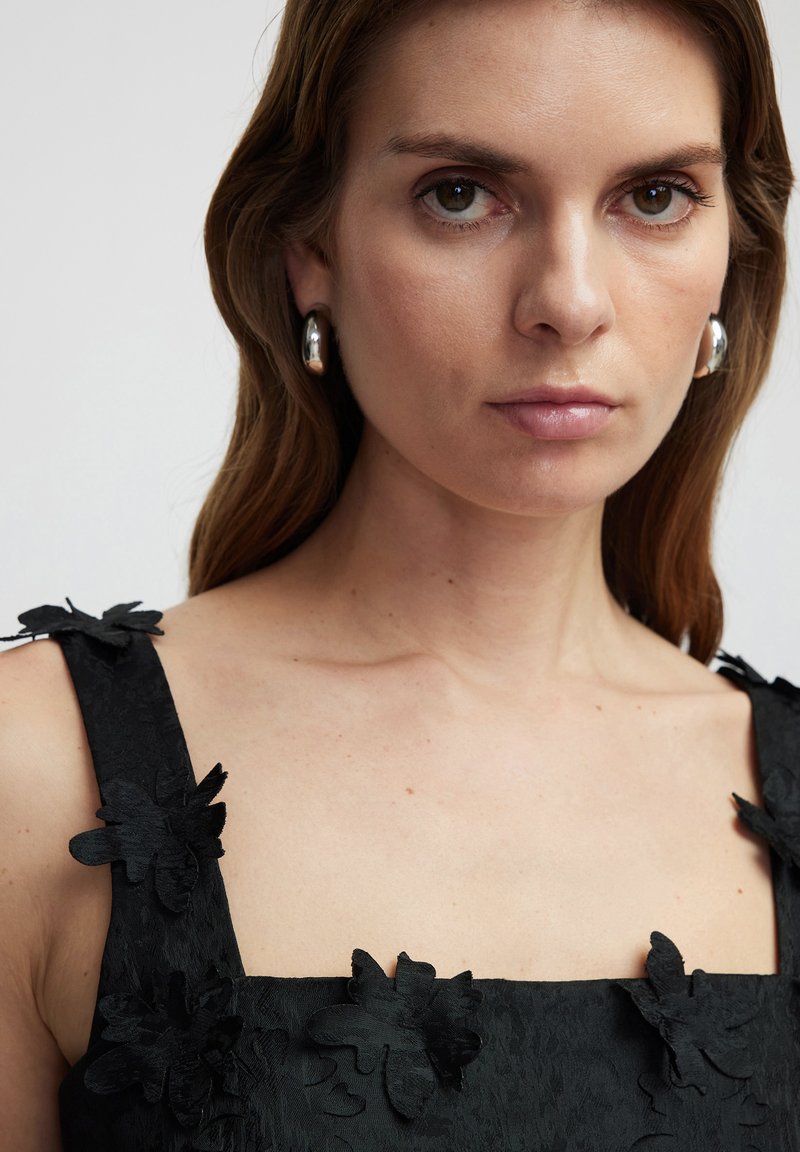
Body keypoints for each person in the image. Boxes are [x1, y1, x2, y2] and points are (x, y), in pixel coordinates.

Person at [0, 0, 796, 1147]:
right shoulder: (35, 774)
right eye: (460, 194)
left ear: (729, 258)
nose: (568, 302)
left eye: (655, 197)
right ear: (308, 249)